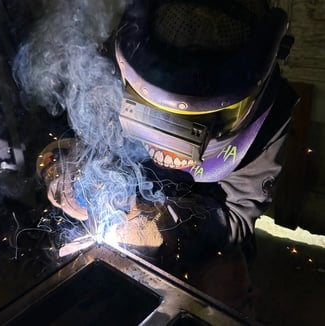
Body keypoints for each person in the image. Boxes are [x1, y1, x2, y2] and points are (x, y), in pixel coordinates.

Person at [109, 0, 299, 314]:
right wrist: (63, 171)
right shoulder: (120, 64)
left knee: (223, 290)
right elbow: (81, 145)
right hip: (127, 225)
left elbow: (238, 217)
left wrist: (174, 222)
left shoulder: (268, 115)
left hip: (209, 248)